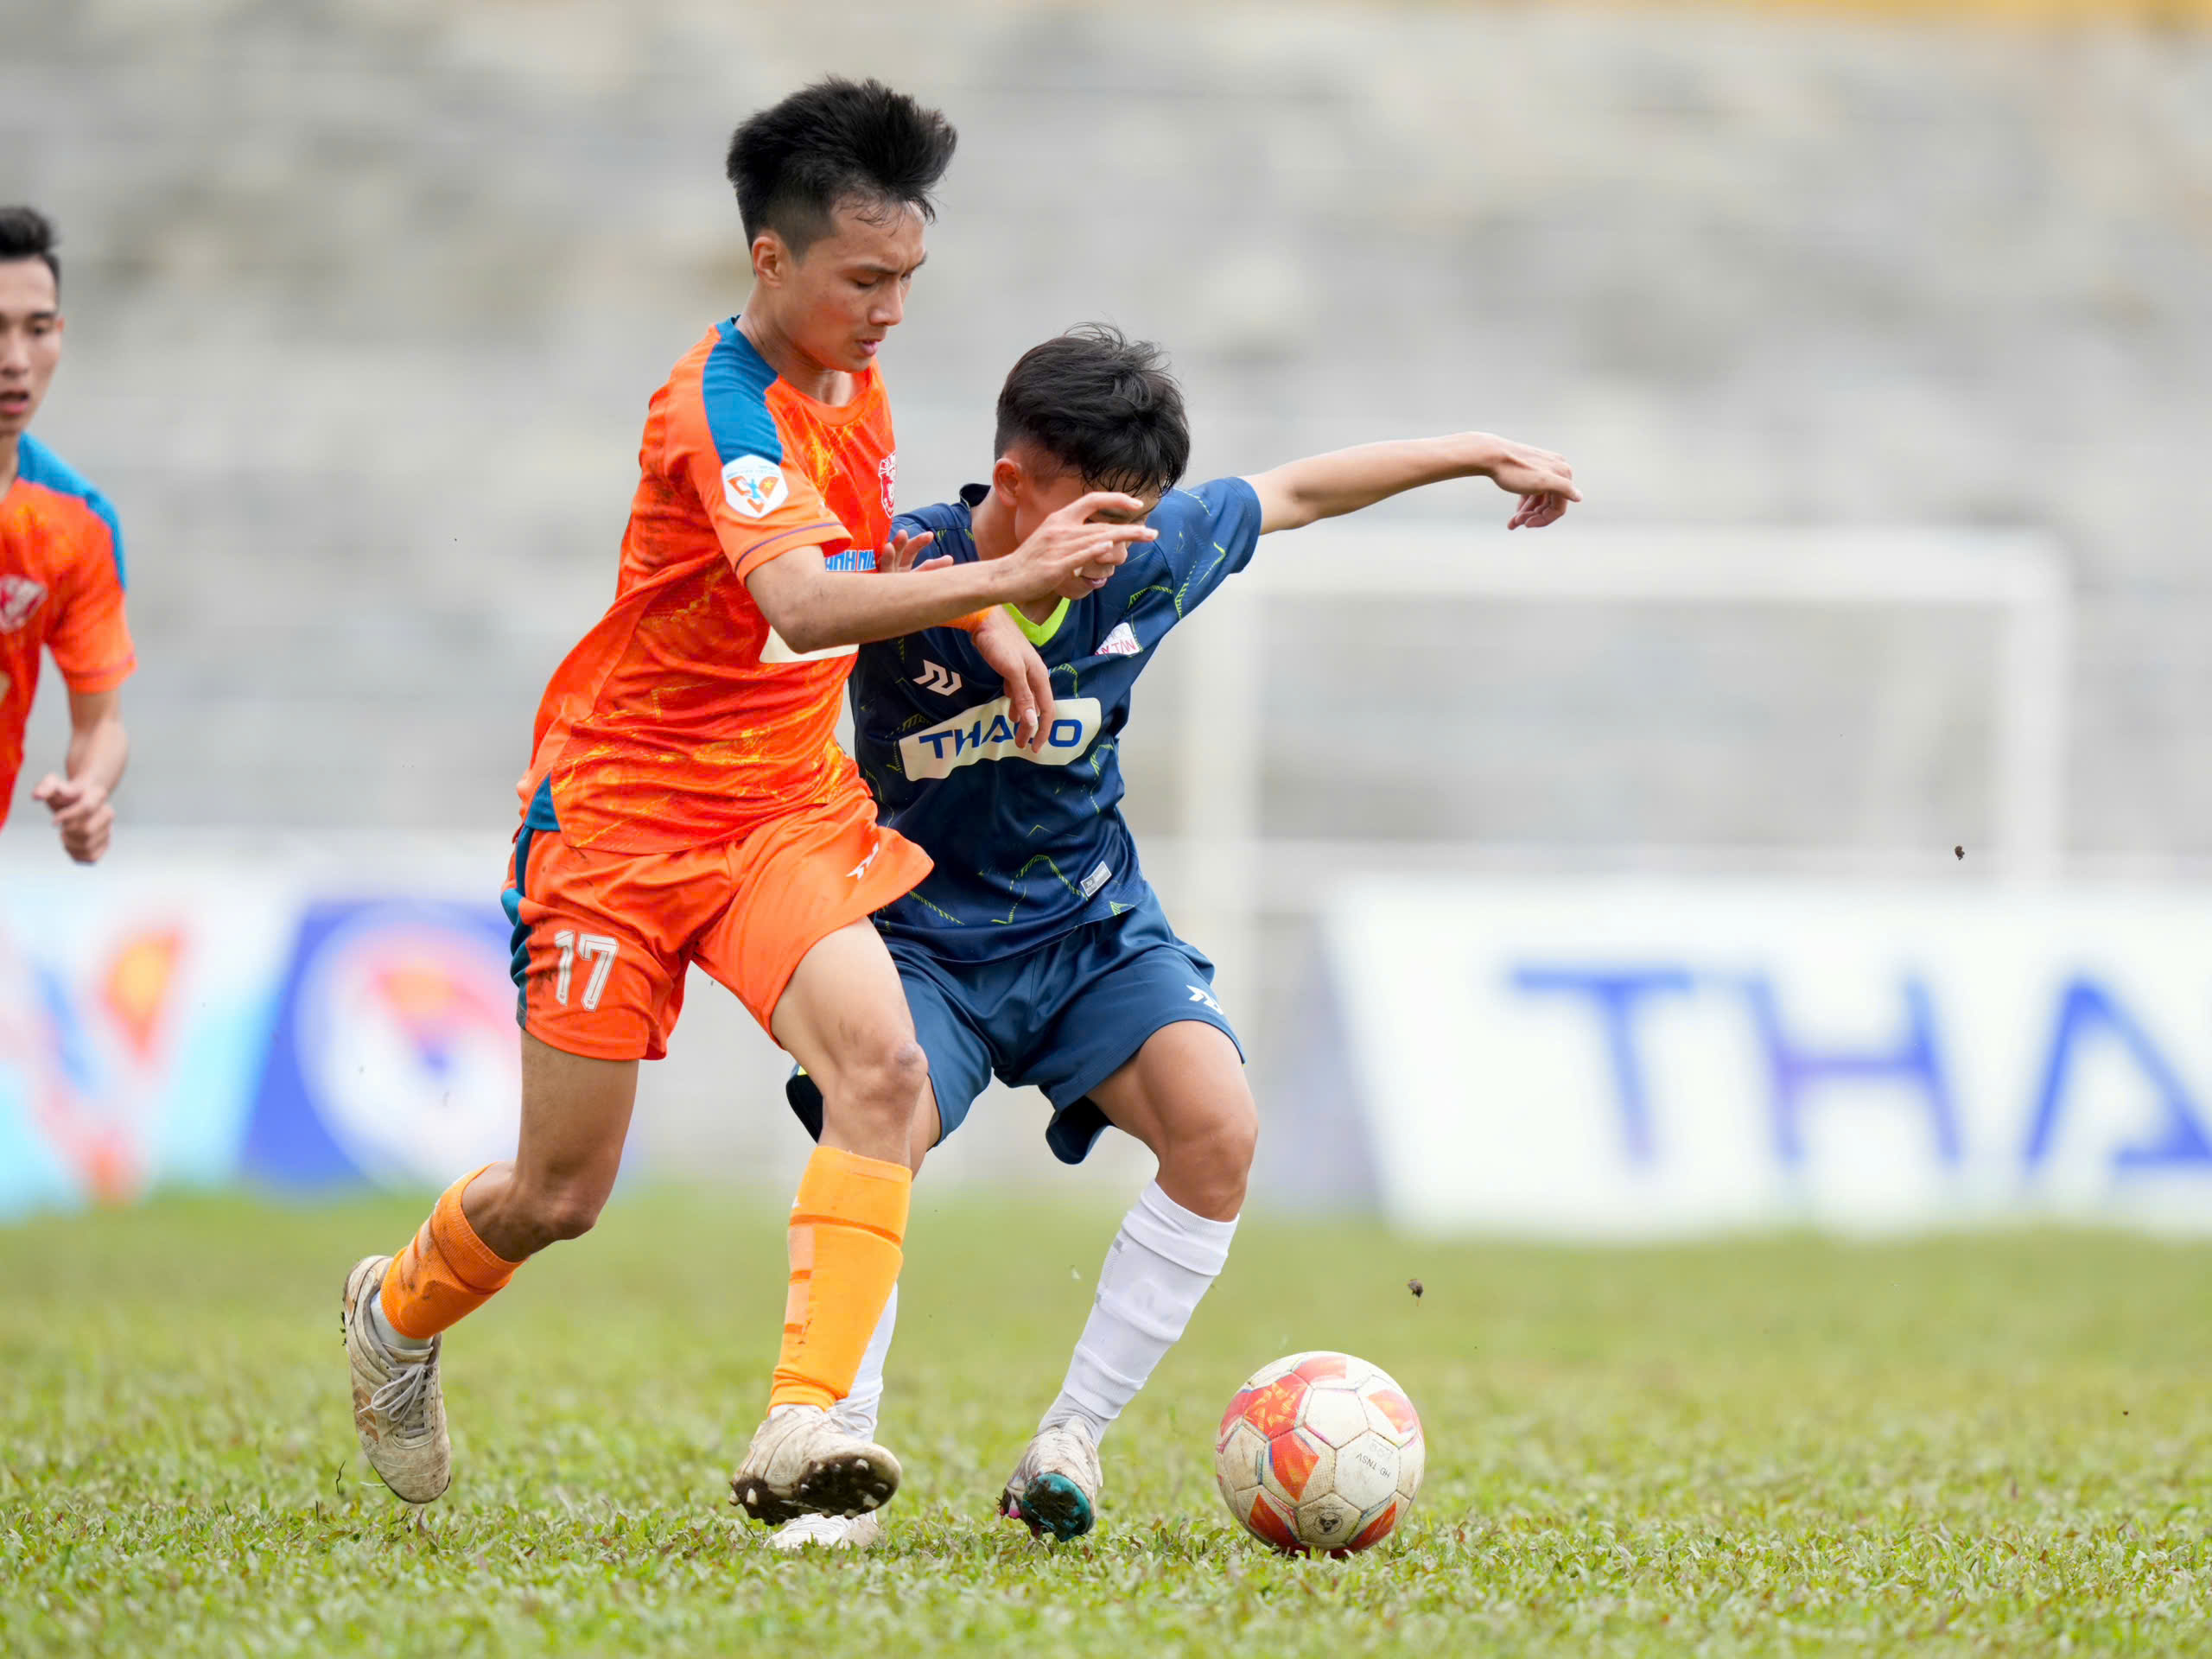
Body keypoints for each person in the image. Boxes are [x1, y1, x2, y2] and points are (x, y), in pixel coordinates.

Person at [339, 83, 1154, 1525]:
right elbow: (802, 601)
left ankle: (804, 1425)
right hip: (619, 824)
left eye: (910, 277)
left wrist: (980, 626)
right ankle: (395, 1315)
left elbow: (868, 543)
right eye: (865, 280)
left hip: (781, 809)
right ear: (770, 263)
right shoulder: (715, 407)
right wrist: (1010, 586)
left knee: (887, 1079)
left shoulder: (861, 375)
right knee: (559, 1194)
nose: (892, 309)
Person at [774, 324, 1578, 1548]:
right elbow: (798, 613)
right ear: (1017, 485)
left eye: (1136, 520)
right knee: (873, 1129)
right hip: (920, 939)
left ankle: (1072, 1435)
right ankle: (838, 1455)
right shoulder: (900, 568)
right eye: (1097, 518)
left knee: (1219, 1129)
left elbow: (1298, 489)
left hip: (1089, 924)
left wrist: (1474, 453)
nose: (1117, 549)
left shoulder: (1149, 556)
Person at [0, 207, 131, 866]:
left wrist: (89, 790)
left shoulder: (77, 523)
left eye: (37, 329)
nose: (14, 360)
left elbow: (100, 724)